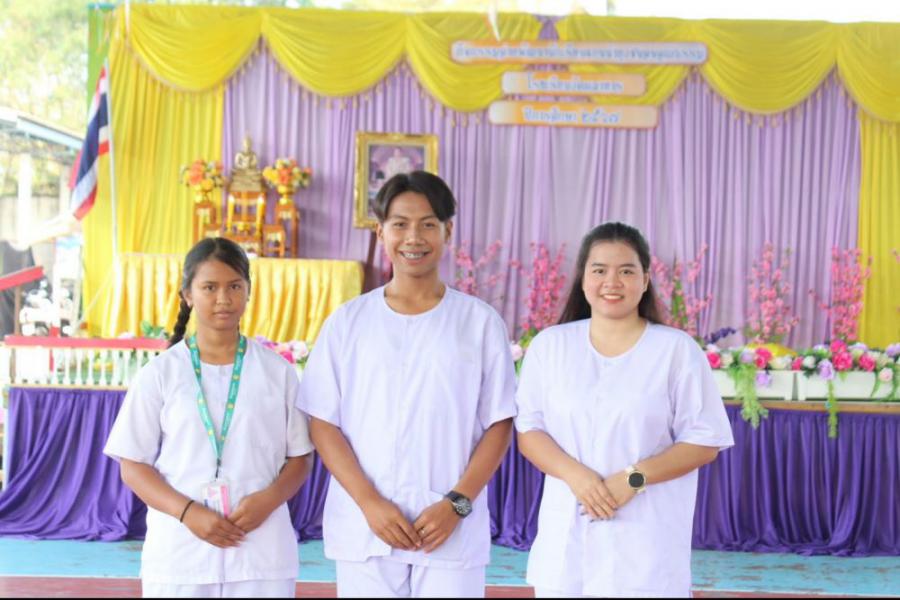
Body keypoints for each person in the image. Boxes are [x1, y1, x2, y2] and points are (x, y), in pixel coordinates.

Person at [298, 171, 516, 598]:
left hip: (449, 529)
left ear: (447, 231)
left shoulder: (478, 323)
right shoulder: (348, 322)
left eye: (428, 224)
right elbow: (323, 422)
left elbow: (499, 423)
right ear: (380, 232)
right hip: (367, 528)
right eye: (400, 224)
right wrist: (369, 502)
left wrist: (457, 504)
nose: (413, 237)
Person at [515, 222, 734, 598]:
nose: (611, 282)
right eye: (599, 270)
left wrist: (634, 478)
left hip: (646, 546)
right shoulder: (550, 347)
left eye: (627, 271)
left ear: (645, 280)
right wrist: (577, 477)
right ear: (583, 279)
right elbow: (529, 430)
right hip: (566, 539)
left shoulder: (675, 350)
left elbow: (704, 440)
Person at [104, 237, 314, 598]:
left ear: (248, 291)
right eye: (209, 287)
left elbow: (300, 457)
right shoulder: (160, 374)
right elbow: (133, 465)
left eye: (234, 286)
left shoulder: (278, 372)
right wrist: (187, 512)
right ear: (187, 294)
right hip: (181, 552)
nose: (223, 299)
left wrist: (268, 500)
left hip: (260, 548)